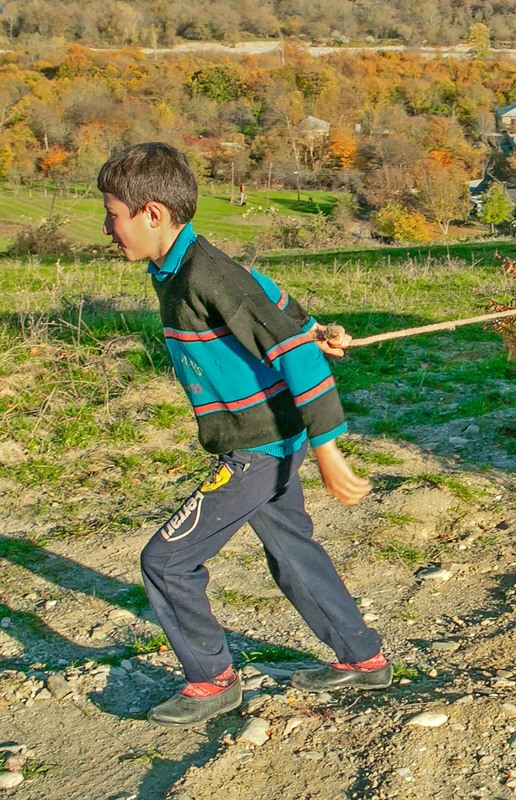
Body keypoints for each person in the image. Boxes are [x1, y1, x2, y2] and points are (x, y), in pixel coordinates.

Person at [98, 142, 392, 728]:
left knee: (165, 560)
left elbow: (294, 358)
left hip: (258, 446)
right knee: (291, 551)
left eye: (112, 213)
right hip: (271, 440)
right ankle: (364, 658)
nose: (107, 228)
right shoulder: (178, 267)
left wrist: (329, 448)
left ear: (151, 213)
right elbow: (269, 298)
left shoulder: (204, 272)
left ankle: (211, 679)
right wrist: (314, 327)